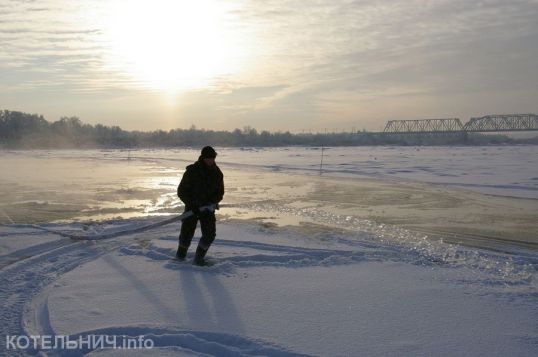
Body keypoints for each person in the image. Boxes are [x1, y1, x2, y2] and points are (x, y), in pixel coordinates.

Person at [176, 146, 224, 265]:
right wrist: (193, 205)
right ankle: (179, 257)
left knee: (209, 235)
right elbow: (181, 191)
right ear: (202, 158)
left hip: (207, 209)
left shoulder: (217, 173)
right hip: (192, 209)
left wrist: (211, 202)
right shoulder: (192, 171)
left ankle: (198, 259)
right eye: (208, 158)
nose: (210, 161)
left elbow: (220, 192)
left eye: (212, 158)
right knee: (186, 235)